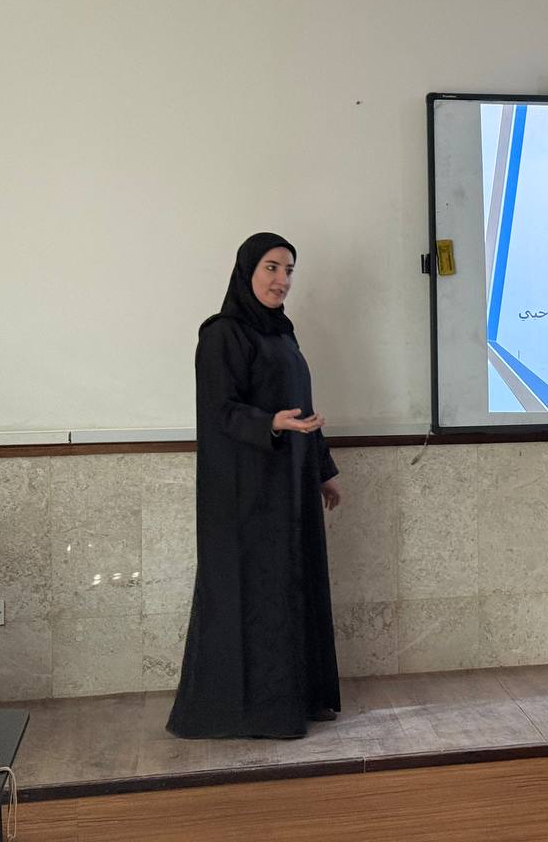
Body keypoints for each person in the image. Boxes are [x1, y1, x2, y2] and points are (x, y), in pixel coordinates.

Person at [168, 232, 343, 740]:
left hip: (289, 487)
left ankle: (294, 700)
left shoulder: (283, 334)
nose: (282, 280)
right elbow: (219, 411)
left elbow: (304, 408)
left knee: (290, 590)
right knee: (254, 596)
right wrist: (270, 423)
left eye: (289, 271)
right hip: (245, 496)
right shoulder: (222, 334)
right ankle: (249, 712)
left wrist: (323, 471)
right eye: (272, 267)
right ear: (247, 270)